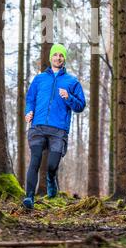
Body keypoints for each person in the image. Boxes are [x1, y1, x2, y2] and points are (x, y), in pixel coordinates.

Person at [22, 43, 86, 209]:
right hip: (38, 126)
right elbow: (30, 99)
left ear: (64, 59)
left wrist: (68, 97)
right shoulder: (39, 79)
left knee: (51, 164)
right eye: (55, 54)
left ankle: (51, 180)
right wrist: (28, 111)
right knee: (35, 160)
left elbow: (80, 106)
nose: (58, 57)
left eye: (61, 55)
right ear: (50, 57)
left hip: (59, 129)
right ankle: (29, 197)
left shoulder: (72, 81)